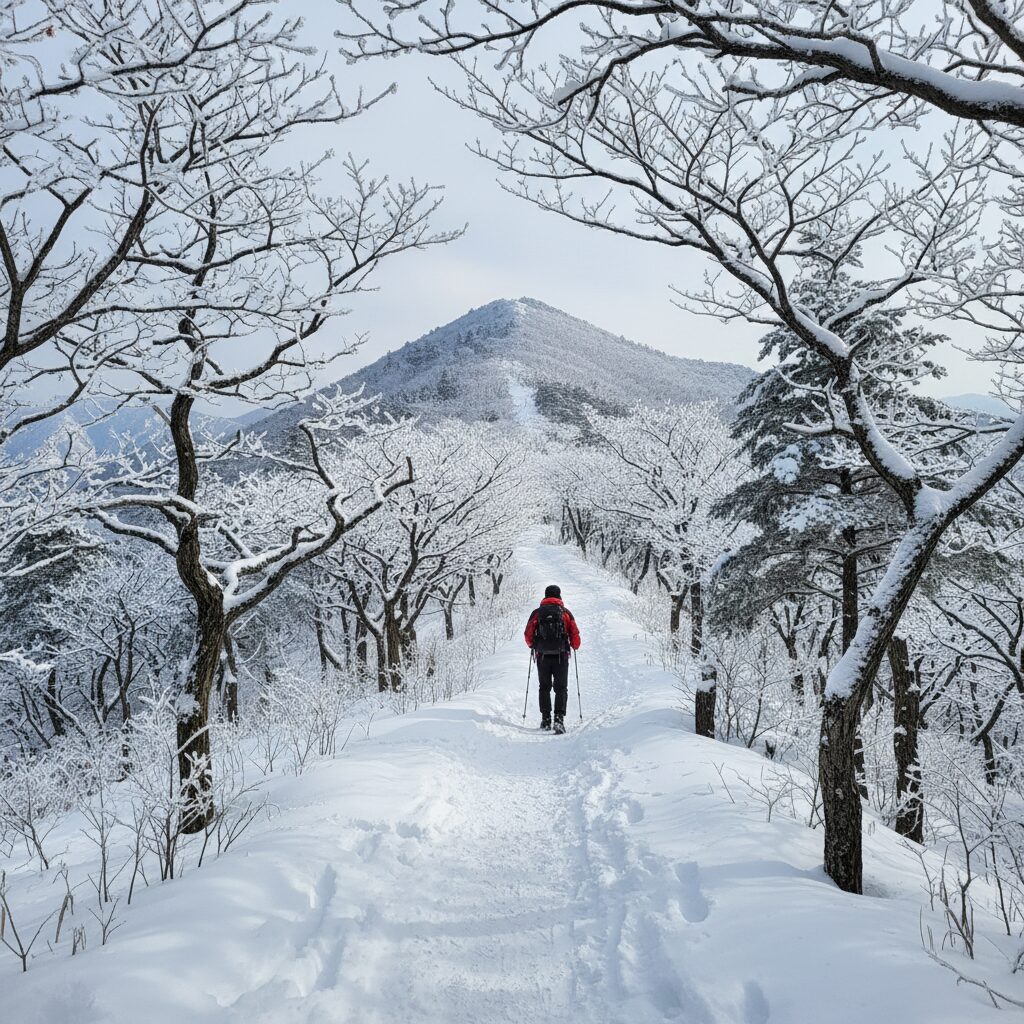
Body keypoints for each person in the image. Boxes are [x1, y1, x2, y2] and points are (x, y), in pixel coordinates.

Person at [524, 584, 581, 734]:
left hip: (542, 656)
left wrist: (533, 645)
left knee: (544, 687)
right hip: (561, 656)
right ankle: (559, 720)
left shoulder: (537, 613)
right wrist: (574, 645)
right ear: (559, 596)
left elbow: (528, 634)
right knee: (561, 688)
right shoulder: (565, 613)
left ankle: (546, 720)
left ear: (545, 596)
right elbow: (575, 635)